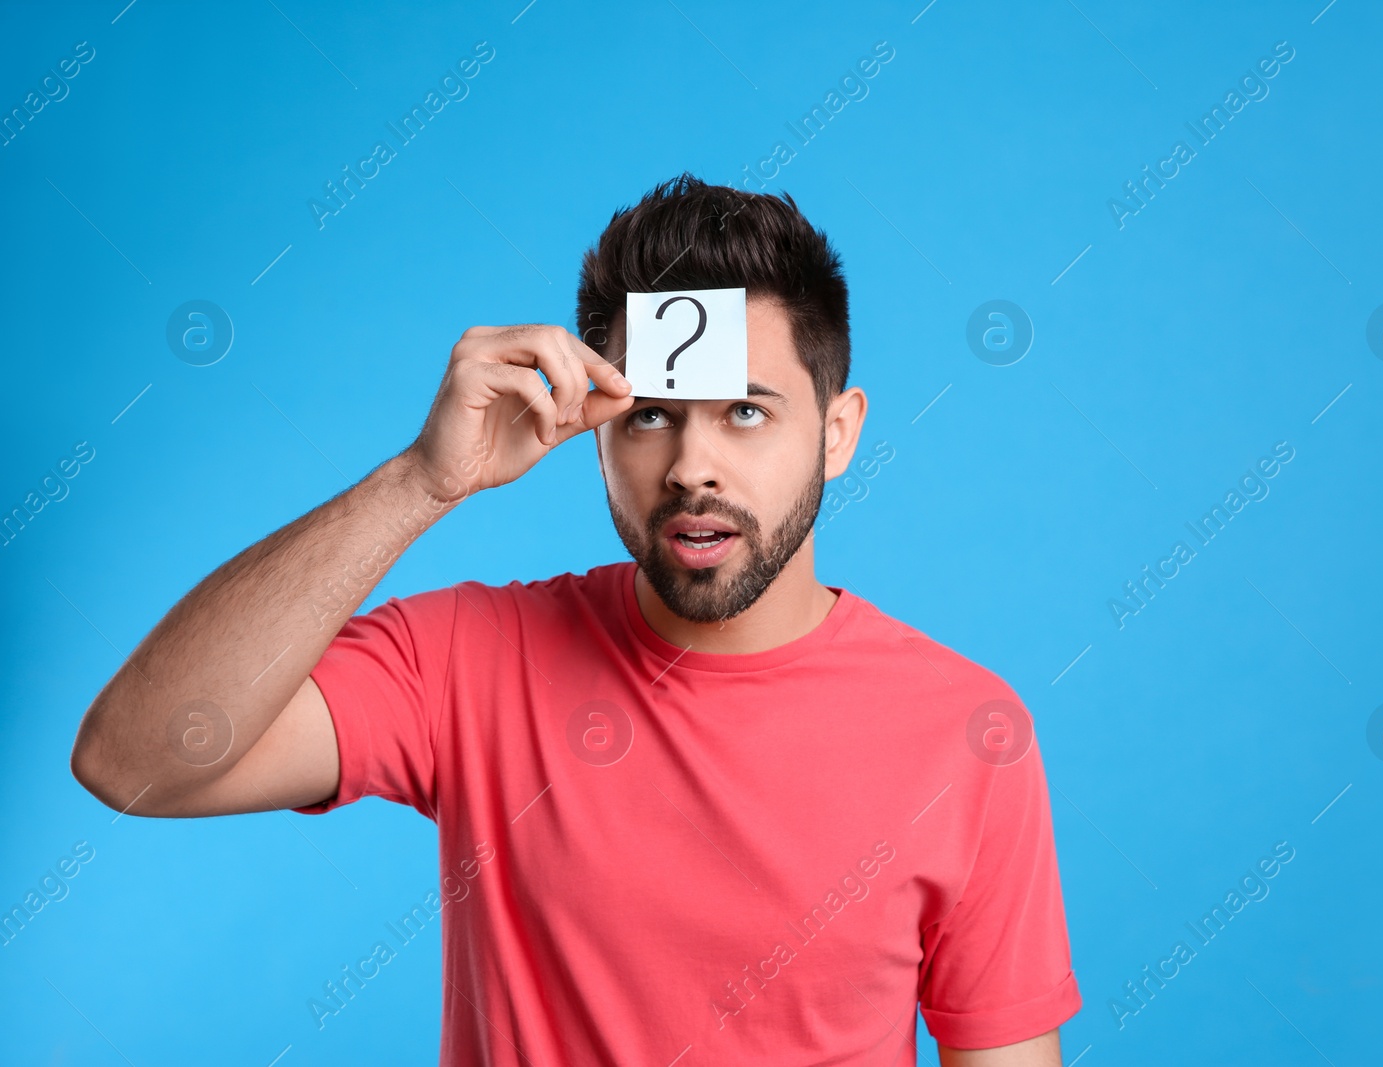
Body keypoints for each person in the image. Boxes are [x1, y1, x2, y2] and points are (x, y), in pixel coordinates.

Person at [70, 174, 1081, 1065]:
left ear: (839, 432)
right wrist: (420, 483)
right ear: (593, 430)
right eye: (649, 415)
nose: (692, 465)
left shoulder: (968, 731)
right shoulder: (470, 659)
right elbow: (133, 758)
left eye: (745, 411)